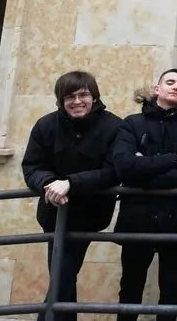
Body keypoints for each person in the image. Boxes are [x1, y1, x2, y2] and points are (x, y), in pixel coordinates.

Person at [21, 71, 124, 321]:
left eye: (83, 95)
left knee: (62, 276)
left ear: (94, 97)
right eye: (69, 97)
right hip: (53, 215)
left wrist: (71, 183)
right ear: (60, 100)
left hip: (90, 216)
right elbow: (31, 166)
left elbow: (113, 172)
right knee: (63, 278)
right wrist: (48, 184)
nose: (77, 101)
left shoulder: (114, 126)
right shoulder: (45, 125)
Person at [111, 69, 177, 321]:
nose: (175, 87)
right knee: (130, 288)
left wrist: (144, 171)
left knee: (171, 291)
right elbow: (123, 166)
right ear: (157, 89)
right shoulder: (132, 123)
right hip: (137, 218)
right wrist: (171, 161)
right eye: (170, 82)